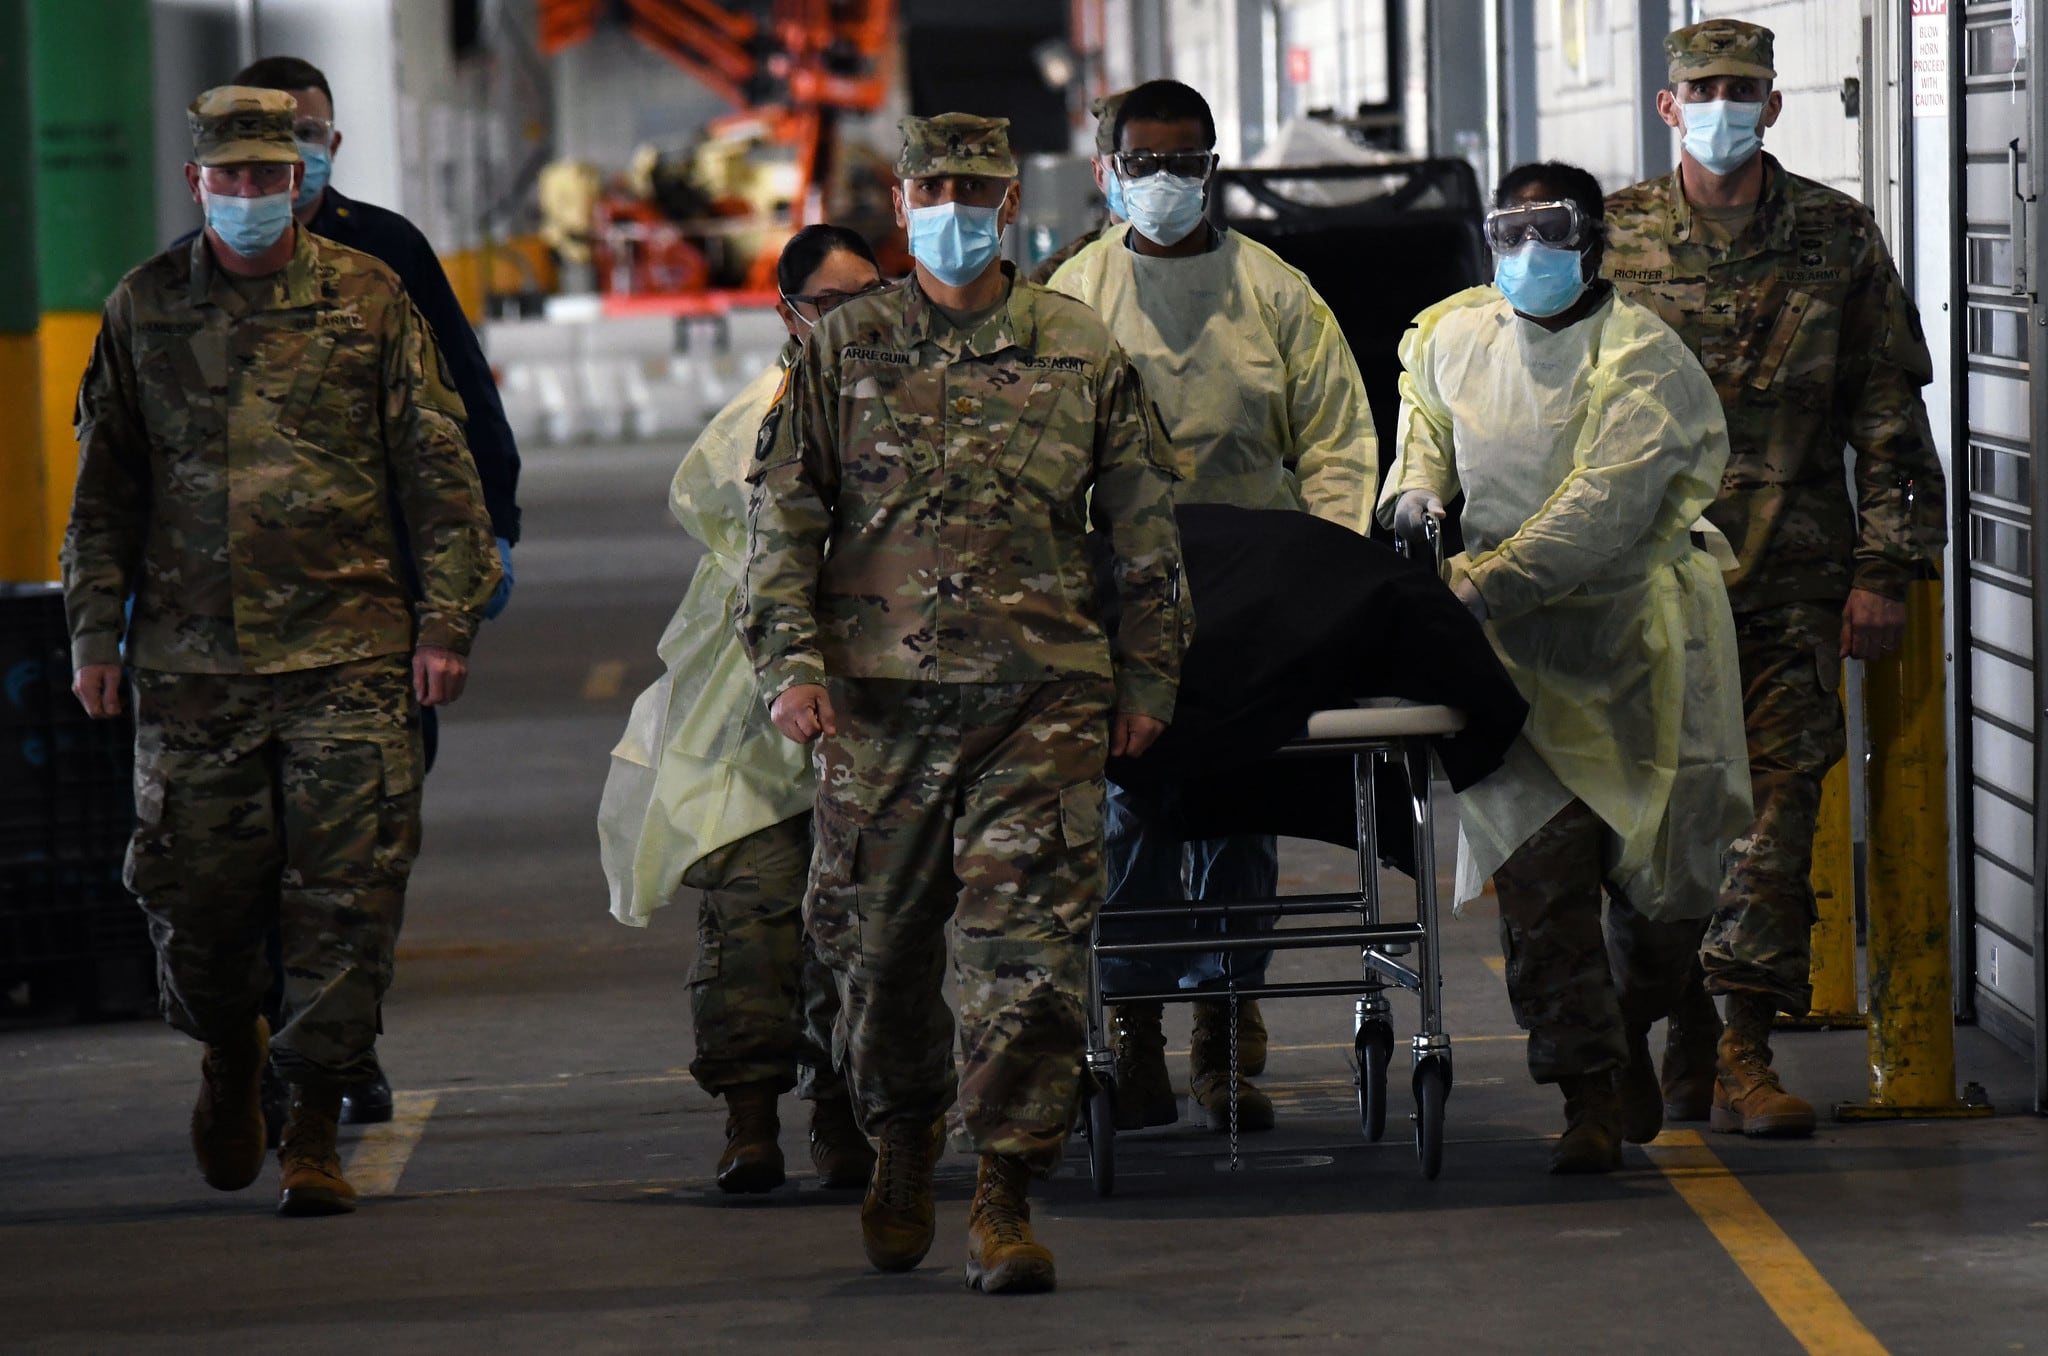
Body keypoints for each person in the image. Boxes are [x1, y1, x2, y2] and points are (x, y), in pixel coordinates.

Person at [740, 113, 1188, 1294]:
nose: (954, 205)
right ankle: (898, 1138)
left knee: (1027, 961)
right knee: (874, 957)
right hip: (878, 708)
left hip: (1035, 705)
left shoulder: (1075, 346)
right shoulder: (846, 347)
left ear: (1010, 206)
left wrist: (1146, 675)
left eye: (976, 188)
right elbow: (782, 517)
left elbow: (1141, 528)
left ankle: (1005, 1186)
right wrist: (787, 663)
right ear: (898, 202)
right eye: (930, 185)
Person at [61, 87, 498, 1216]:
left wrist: (445, 621)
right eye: (235, 177)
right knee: (194, 906)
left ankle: (311, 1121)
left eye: (274, 173)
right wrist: (91, 632)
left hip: (347, 653)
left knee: (345, 902)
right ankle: (229, 1055)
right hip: (191, 665)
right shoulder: (144, 308)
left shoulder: (368, 296)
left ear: (301, 176)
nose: (257, 194)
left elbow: (435, 474)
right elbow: (104, 492)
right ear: (197, 182)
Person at [1605, 20, 1948, 1136]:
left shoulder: (1836, 236)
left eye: (1740, 87)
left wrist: (1883, 568)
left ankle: (1744, 1047)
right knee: (1652, 829)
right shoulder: (1609, 240)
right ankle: (1676, 1036)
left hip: (1787, 579)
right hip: (1641, 590)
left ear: (1773, 103)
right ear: (1667, 107)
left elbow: (1887, 409)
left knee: (1774, 816)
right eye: (1700, 87)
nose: (1720, 103)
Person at [1381, 161, 1751, 1172]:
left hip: (1637, 655)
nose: (1529, 250)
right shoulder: (1450, 335)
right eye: (1511, 228)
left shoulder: (1642, 359)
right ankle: (1584, 1091)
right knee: (1540, 895)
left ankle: (1642, 1022)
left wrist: (1480, 581)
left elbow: (1600, 511)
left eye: (1553, 228)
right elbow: (1425, 434)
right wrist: (1412, 499)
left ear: (1591, 239)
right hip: (1515, 668)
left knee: (1664, 896)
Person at [1048, 78, 1378, 1133]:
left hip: (1254, 600)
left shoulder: (1275, 294)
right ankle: (1136, 1025)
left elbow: (1335, 444)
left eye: (1183, 164)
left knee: (1239, 814)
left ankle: (1226, 1037)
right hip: (1118, 602)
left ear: (1212, 169)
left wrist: (1325, 579)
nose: (1163, 183)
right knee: (1135, 810)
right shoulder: (1070, 303)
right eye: (1141, 164)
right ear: (1106, 172)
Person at [228, 54, 525, 1128]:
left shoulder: (386, 256)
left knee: (355, 855)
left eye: (305, 132)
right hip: (232, 641)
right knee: (246, 859)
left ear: (332, 143)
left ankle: (336, 1050)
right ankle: (266, 1038)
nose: (289, 156)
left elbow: (463, 405)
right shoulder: (177, 285)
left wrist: (492, 536)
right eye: (266, 137)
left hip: (376, 619)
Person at [598, 225, 887, 1194]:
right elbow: (774, 558)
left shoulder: (919, 411)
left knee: (860, 925)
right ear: (789, 317)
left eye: (866, 302)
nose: (848, 325)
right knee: (754, 919)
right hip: (753, 718)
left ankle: (847, 1113)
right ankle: (750, 1115)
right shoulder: (755, 424)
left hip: (877, 715)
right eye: (828, 307)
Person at [1026, 89, 1128, 285]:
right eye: (1124, 163)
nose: (1153, 177)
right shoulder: (1059, 277)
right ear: (1099, 174)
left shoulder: (1202, 258)